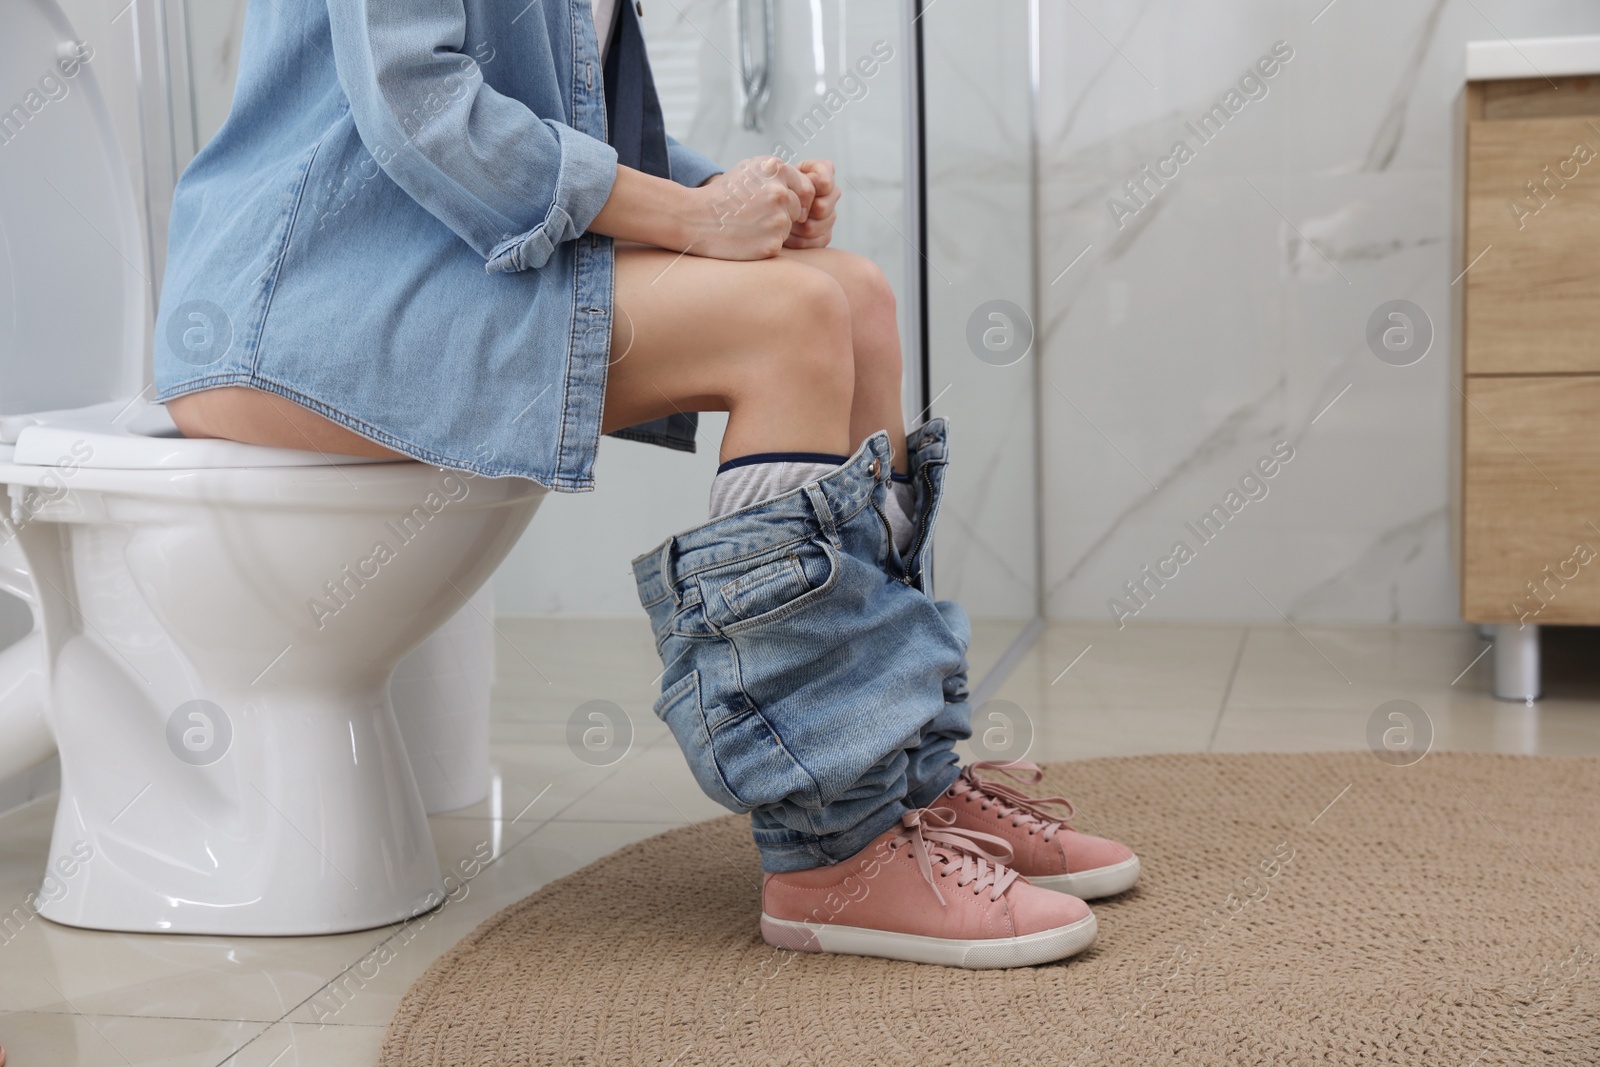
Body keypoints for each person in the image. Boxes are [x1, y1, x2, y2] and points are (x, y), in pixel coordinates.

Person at [157, 0, 1139, 968]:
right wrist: (697, 217)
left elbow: (580, 126)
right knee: (792, 316)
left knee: (857, 297)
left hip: (443, 263)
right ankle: (831, 847)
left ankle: (904, 777)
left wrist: (752, 195)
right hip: (311, 296)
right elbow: (419, 103)